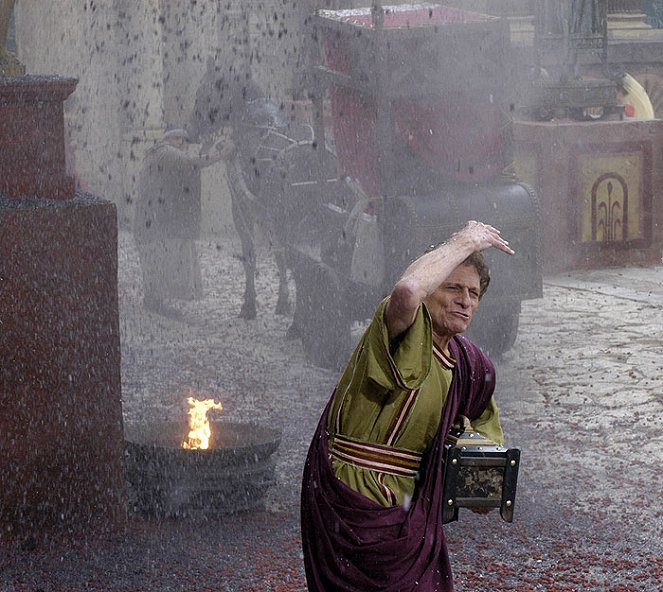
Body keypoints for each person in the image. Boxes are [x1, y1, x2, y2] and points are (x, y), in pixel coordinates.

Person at [301, 220, 515, 592]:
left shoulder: (470, 366)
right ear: (432, 289)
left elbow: (486, 441)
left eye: (474, 293)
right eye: (453, 288)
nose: (465, 300)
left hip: (412, 512)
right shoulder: (400, 332)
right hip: (353, 497)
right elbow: (407, 290)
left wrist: (481, 484)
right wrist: (463, 241)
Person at [133, 128, 228, 318]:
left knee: (154, 262)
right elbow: (193, 164)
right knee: (163, 260)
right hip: (158, 221)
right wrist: (220, 154)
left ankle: (153, 300)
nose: (184, 146)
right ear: (174, 140)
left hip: (150, 219)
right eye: (182, 141)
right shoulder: (168, 153)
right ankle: (155, 302)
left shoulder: (156, 153)